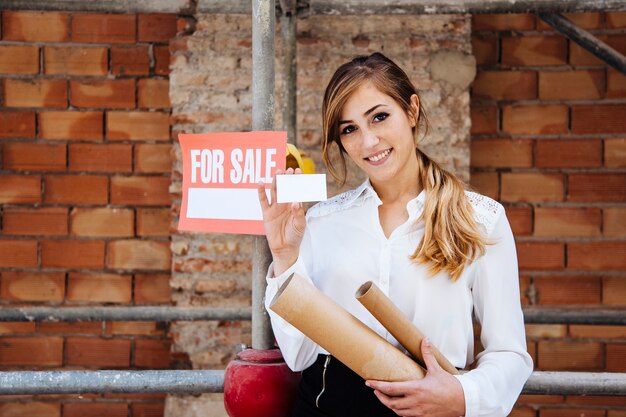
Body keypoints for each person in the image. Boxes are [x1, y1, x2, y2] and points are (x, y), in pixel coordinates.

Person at [257, 52, 533, 417]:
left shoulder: (481, 220)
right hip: (327, 403)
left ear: (412, 111)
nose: (369, 141)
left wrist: (461, 396)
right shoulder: (321, 222)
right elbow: (299, 356)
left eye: (380, 117)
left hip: (434, 405)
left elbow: (508, 353)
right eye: (349, 129)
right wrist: (285, 255)